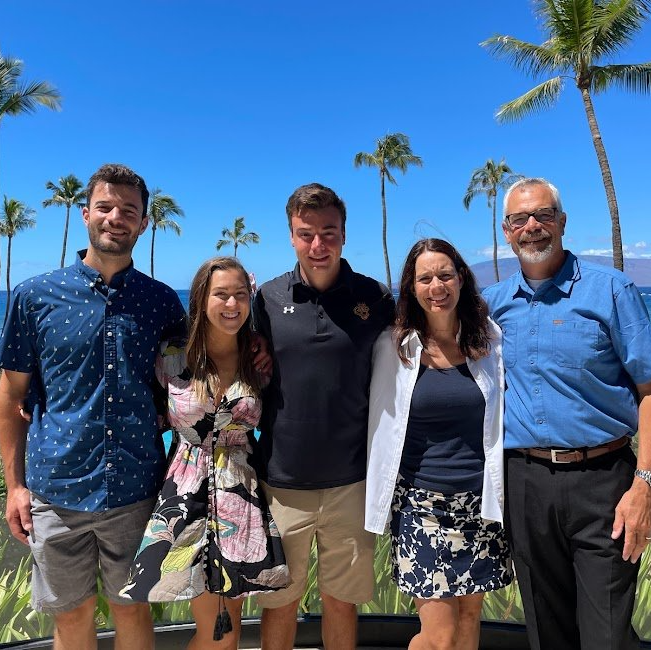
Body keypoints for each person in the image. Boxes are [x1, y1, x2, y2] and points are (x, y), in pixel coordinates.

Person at [0, 163, 187, 650]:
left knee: (132, 609)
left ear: (143, 222)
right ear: (85, 214)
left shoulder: (162, 303)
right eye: (105, 207)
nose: (115, 218)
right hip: (56, 491)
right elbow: (11, 398)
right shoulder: (34, 297)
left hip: (137, 488)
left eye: (129, 210)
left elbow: (188, 382)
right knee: (71, 615)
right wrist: (15, 487)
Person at [483, 177, 651, 650]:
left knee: (606, 635)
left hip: (605, 483)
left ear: (562, 222)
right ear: (506, 231)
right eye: (520, 219)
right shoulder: (491, 307)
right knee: (546, 631)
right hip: (524, 483)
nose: (532, 226)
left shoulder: (611, 290)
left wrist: (645, 484)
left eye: (543, 215)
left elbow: (649, 390)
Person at [120, 256, 290, 649]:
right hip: (184, 495)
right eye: (221, 294)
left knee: (226, 632)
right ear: (201, 299)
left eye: (240, 295)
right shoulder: (172, 355)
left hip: (241, 497)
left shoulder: (258, 359)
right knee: (216, 633)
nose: (232, 304)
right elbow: (134, 400)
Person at [252, 183, 395, 650]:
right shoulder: (266, 298)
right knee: (280, 602)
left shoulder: (375, 297)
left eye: (328, 232)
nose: (318, 245)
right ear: (292, 236)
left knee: (341, 602)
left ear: (344, 235)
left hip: (352, 483)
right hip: (281, 482)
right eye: (306, 233)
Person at [365, 238, 511, 650]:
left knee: (468, 620)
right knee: (440, 637)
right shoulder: (393, 346)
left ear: (461, 278)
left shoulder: (489, 340)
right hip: (421, 505)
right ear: (411, 288)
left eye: (445, 275)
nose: (436, 286)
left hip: (480, 504)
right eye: (425, 278)